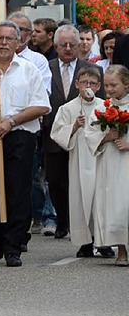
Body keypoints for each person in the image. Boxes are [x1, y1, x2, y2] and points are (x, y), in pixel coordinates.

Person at [0, 21, 50, 267]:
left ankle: (14, 244)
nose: (4, 43)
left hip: (19, 135)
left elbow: (41, 106)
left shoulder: (28, 70)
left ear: (18, 42)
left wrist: (11, 122)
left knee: (17, 189)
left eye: (9, 39)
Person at [42, 25, 104, 240]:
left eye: (72, 44)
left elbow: (101, 99)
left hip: (88, 139)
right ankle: (63, 221)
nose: (68, 48)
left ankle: (91, 229)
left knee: (84, 184)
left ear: (79, 45)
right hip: (56, 132)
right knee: (57, 182)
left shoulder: (91, 69)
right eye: (63, 45)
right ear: (56, 46)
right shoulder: (45, 67)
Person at [50, 67, 113, 258]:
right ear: (77, 84)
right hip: (79, 158)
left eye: (93, 83)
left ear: (99, 86)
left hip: (101, 158)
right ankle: (85, 242)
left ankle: (104, 241)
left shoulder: (106, 106)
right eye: (84, 82)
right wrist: (74, 126)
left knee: (101, 199)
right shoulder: (67, 108)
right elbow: (57, 133)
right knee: (81, 199)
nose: (88, 87)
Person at [85, 65, 129, 266]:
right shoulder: (102, 108)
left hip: (126, 162)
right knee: (115, 206)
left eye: (114, 85)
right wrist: (106, 137)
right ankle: (121, 249)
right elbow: (90, 134)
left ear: (126, 85)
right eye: (108, 85)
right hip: (110, 164)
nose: (109, 89)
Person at [7, 13, 51, 92]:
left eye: (20, 29)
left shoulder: (39, 61)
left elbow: (43, 92)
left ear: (30, 34)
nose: (16, 33)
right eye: (12, 28)